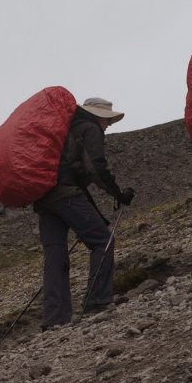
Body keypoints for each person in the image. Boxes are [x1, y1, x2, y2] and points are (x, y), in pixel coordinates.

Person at [33, 97, 134, 328]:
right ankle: (97, 301)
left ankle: (54, 318)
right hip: (66, 194)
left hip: (43, 198)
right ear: (97, 115)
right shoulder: (89, 128)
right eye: (107, 120)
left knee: (55, 254)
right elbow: (96, 166)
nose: (109, 125)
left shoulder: (64, 131)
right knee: (102, 241)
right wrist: (119, 194)